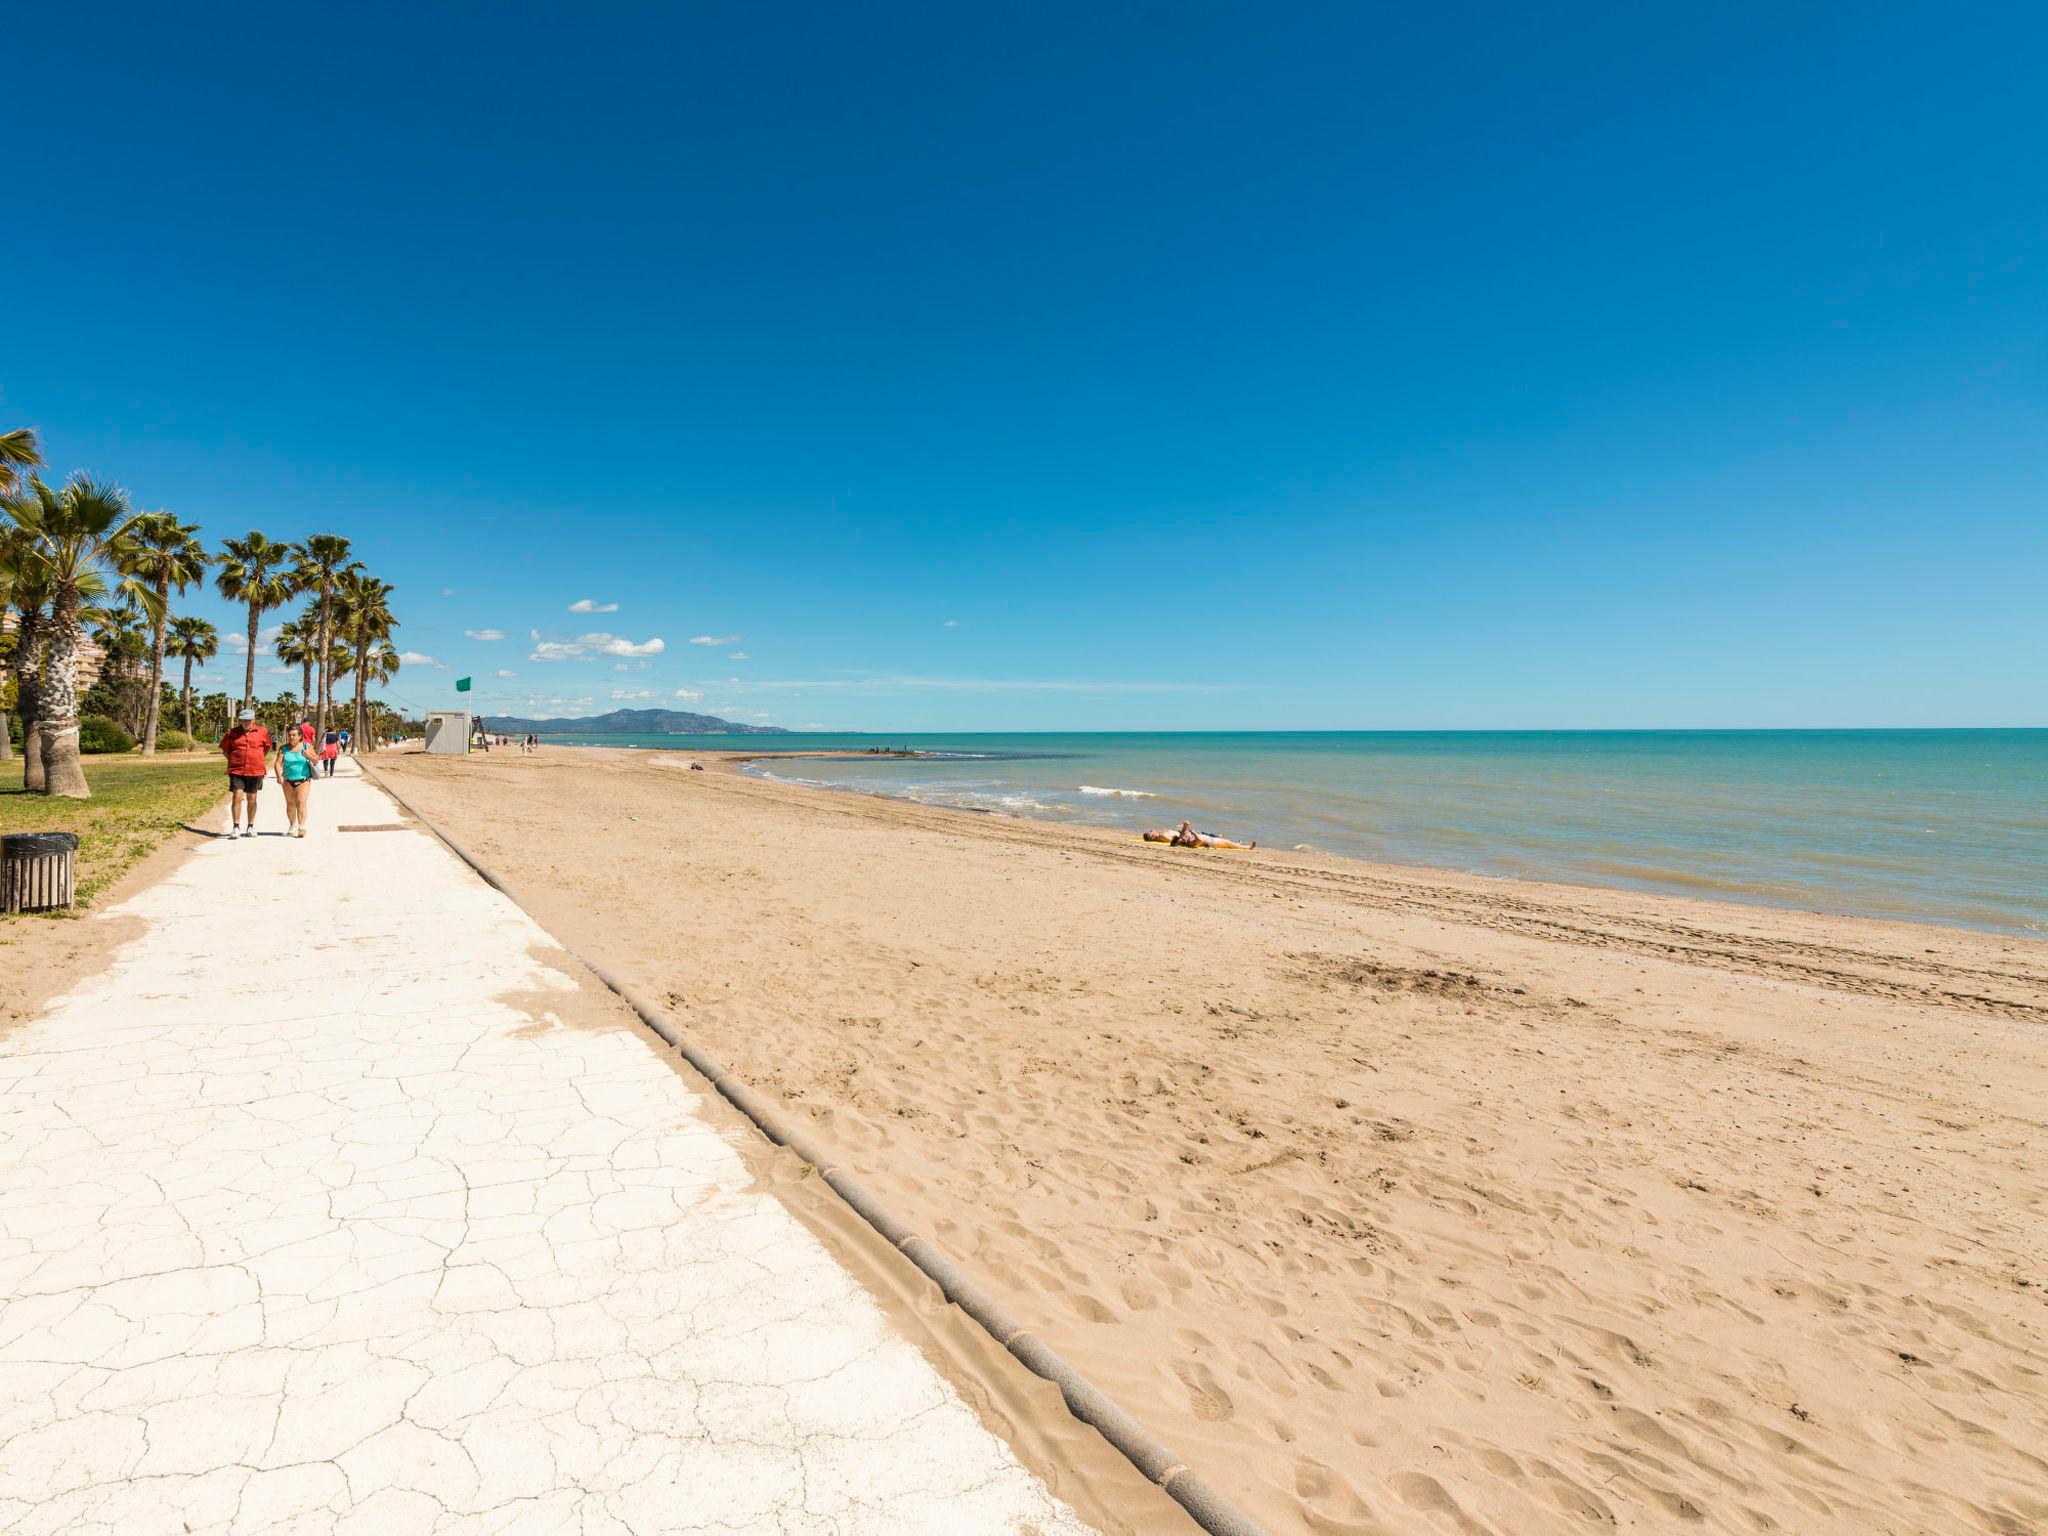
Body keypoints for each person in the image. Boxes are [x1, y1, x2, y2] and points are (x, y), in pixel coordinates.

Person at [219, 709, 273, 837]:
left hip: (255, 770)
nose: (246, 722)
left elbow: (266, 748)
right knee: (237, 796)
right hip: (237, 770)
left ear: (253, 720)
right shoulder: (231, 733)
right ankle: (236, 827)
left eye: (248, 719)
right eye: (243, 719)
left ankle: (250, 826)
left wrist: (257, 758)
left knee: (252, 798)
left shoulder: (262, 732)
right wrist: (234, 760)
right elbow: (225, 750)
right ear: (240, 720)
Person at [275, 728, 317, 836]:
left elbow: (316, 759)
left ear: (300, 736)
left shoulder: (306, 746)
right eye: (290, 735)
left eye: (294, 735)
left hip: (303, 780)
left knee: (301, 802)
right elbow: (278, 764)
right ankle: (293, 824)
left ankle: (301, 826)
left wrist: (308, 756)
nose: (291, 737)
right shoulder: (283, 748)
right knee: (290, 804)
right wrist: (279, 776)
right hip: (287, 781)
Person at [1144, 819, 1256, 850]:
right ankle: (1246, 847)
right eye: (1150, 832)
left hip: (1198, 837)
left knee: (1228, 843)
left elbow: (1178, 838)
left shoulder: (1162, 834)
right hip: (1202, 839)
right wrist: (1186, 829)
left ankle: (1240, 845)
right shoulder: (1163, 836)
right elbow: (1178, 838)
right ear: (1151, 835)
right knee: (1227, 843)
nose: (1152, 830)